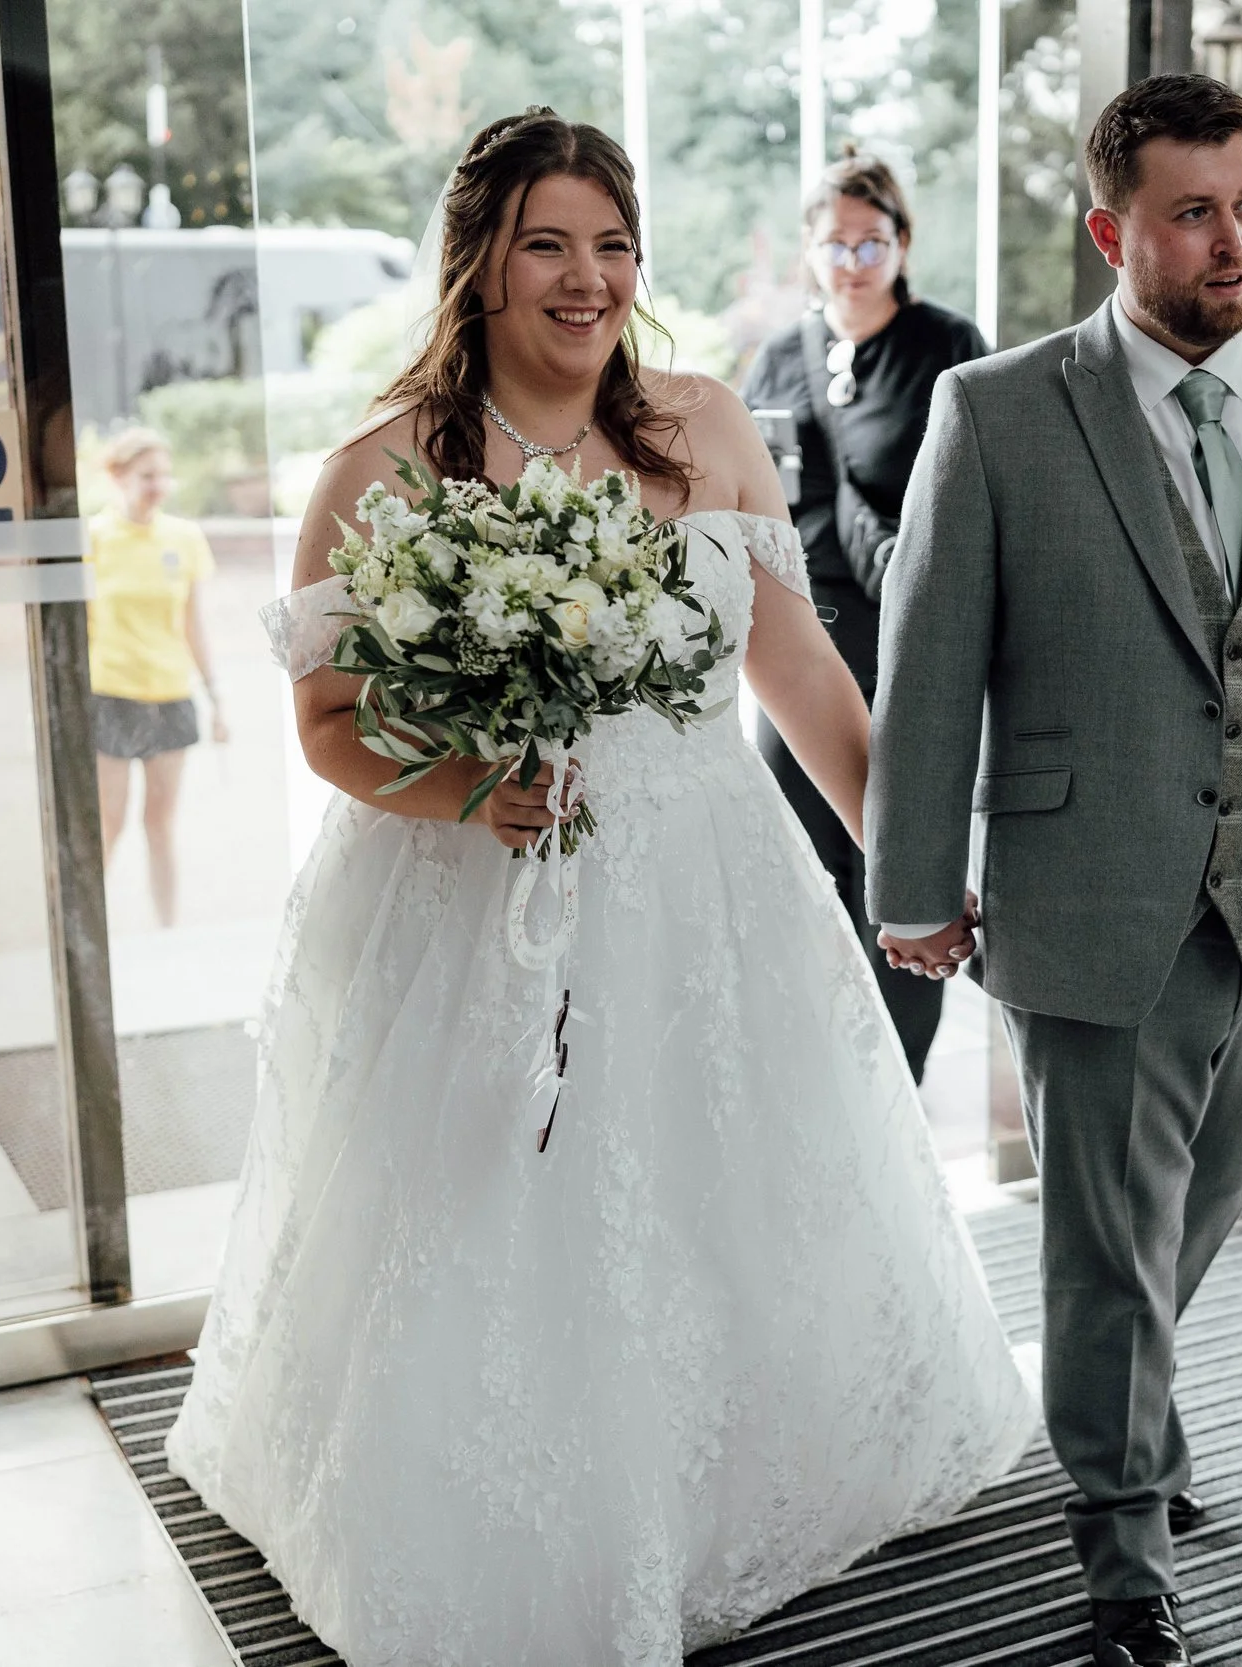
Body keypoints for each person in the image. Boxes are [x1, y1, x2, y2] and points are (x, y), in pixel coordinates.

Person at [162, 110, 1031, 1665]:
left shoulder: (702, 424)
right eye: (548, 244)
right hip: (475, 897)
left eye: (614, 245)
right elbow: (326, 722)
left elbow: (806, 678)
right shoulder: (389, 462)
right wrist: (470, 788)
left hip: (713, 889)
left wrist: (916, 879)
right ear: (479, 262)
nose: (588, 278)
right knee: (496, 1213)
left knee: (723, 1188)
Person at [868, 75, 1242, 1667]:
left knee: (1189, 1221)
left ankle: (1123, 1423)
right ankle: (1121, 1548)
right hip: (1092, 887)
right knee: (1107, 1245)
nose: (1232, 240)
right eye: (1194, 212)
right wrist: (913, 884)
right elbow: (926, 671)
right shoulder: (998, 410)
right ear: (1113, 228)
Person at [739, 146, 989, 1081]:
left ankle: (894, 1082)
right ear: (810, 249)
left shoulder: (947, 347)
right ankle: (814, 1077)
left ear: (902, 243)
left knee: (898, 861)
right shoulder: (776, 357)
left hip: (903, 639)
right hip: (795, 643)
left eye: (870, 242)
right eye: (834, 243)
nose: (851, 261)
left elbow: (969, 503)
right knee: (801, 861)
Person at [86, 427, 227, 927]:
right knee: (110, 823)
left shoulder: (184, 537)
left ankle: (168, 930)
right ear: (117, 476)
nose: (158, 485)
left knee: (161, 824)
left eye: (164, 475)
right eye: (147, 475)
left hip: (170, 693)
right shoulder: (93, 538)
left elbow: (193, 624)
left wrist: (215, 699)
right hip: (112, 694)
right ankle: (90, 928)